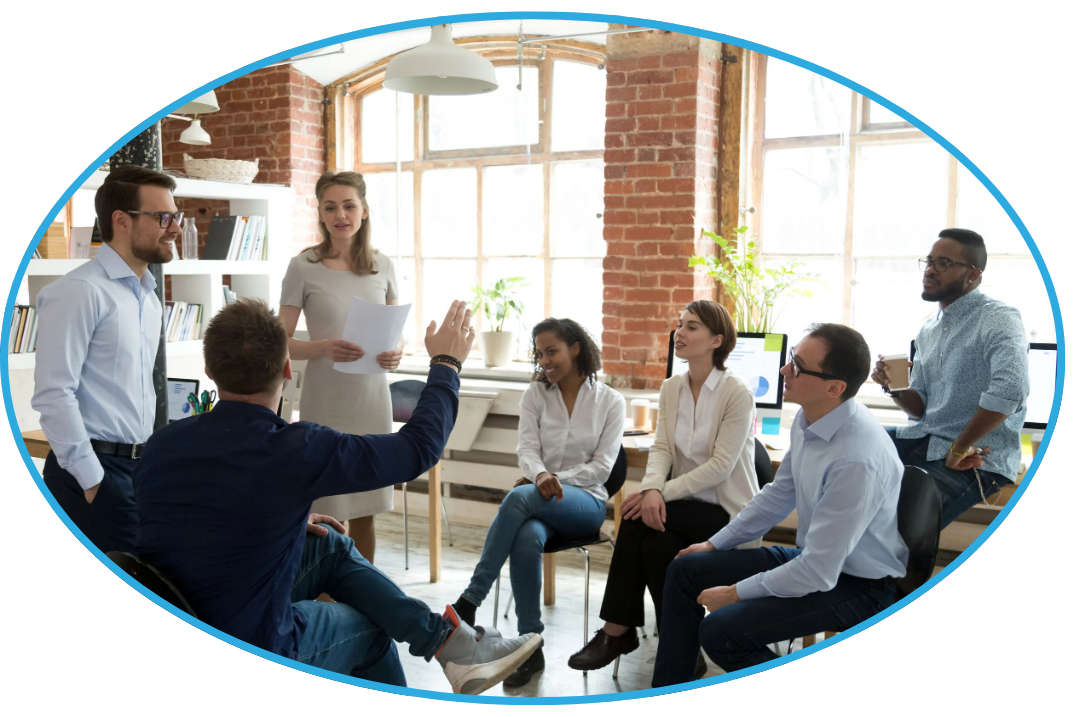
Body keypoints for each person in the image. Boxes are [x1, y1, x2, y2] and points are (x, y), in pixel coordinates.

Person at [134, 298, 539, 694]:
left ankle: (452, 645)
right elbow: (418, 449)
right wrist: (446, 365)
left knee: (330, 547)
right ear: (288, 369)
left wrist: (286, 519)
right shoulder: (294, 449)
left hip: (177, 632)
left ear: (209, 370)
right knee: (371, 628)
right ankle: (444, 657)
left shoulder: (160, 445)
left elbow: (192, 522)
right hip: (249, 649)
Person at [651, 324, 908, 686]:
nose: (785, 371)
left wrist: (734, 593)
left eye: (798, 367)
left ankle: (808, 695)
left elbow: (819, 573)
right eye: (791, 360)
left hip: (859, 586)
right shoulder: (811, 417)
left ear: (834, 388)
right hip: (818, 562)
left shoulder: (855, 460)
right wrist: (713, 544)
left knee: (720, 631)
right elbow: (777, 495)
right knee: (686, 569)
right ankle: (670, 695)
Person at [568, 301, 760, 678]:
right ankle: (682, 647)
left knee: (635, 518)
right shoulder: (672, 387)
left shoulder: (736, 393)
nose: (680, 334)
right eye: (679, 325)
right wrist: (652, 488)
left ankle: (616, 632)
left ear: (716, 340)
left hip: (726, 512)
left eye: (691, 327)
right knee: (655, 547)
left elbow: (720, 467)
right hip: (683, 507)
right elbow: (662, 448)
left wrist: (659, 494)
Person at [449, 318, 625, 688]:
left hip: (585, 504)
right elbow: (526, 448)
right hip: (539, 503)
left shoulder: (610, 401)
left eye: (552, 351)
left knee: (517, 497)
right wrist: (540, 475)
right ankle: (531, 646)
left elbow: (602, 468)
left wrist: (551, 480)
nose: (545, 360)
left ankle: (470, 599)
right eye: (540, 353)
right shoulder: (535, 394)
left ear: (575, 348)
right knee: (527, 535)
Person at [32, 165, 180, 554]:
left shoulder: (147, 296)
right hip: (91, 473)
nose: (175, 228)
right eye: (163, 217)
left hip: (137, 469)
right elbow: (53, 394)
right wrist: (93, 480)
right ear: (122, 221)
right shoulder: (79, 292)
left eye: (175, 217)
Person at [279, 170, 404, 563]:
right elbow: (278, 341)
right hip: (325, 400)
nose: (341, 215)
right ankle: (325, 599)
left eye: (349, 205)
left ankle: (363, 600)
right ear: (319, 212)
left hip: (371, 398)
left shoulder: (383, 265)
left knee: (367, 508)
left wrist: (397, 351)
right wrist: (322, 347)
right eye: (330, 207)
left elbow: (397, 331)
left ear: (364, 211)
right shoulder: (303, 266)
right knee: (328, 507)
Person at [871, 228, 1029, 528]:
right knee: (848, 452)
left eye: (943, 263)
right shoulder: (927, 329)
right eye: (929, 261)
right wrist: (895, 387)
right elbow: (921, 409)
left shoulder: (999, 318)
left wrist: (959, 445)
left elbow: (1011, 390)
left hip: (976, 455)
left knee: (894, 526)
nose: (929, 270)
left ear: (972, 274)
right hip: (926, 437)